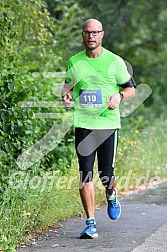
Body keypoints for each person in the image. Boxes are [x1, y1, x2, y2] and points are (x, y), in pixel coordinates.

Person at [62, 18, 136, 239]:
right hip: (83, 124)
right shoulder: (74, 62)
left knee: (106, 176)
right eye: (87, 32)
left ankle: (111, 195)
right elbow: (67, 89)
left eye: (95, 32)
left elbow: (130, 88)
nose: (91, 36)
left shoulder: (114, 61)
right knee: (85, 173)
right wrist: (65, 97)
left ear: (102, 34)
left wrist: (119, 96)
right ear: (83, 35)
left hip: (107, 125)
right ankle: (90, 223)